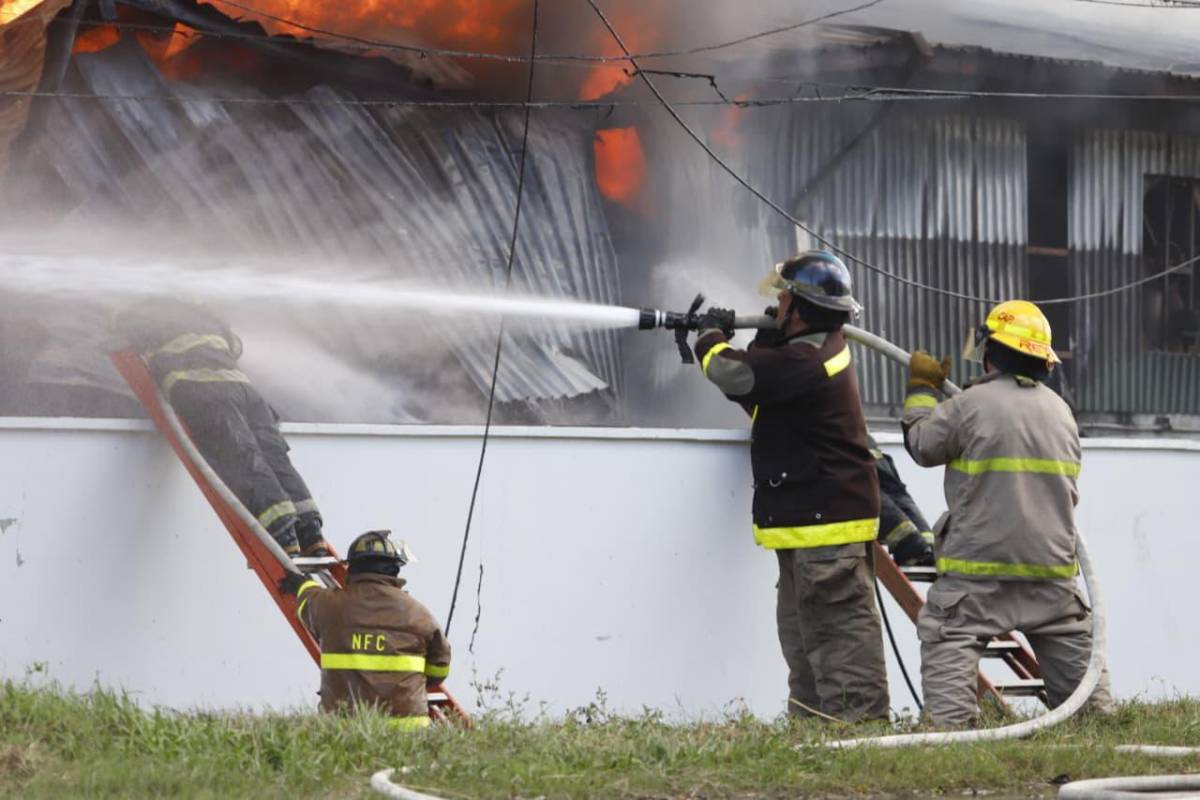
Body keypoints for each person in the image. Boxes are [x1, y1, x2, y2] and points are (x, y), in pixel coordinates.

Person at [693, 250, 889, 722]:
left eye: (783, 298)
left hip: (828, 535)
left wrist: (710, 337)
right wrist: (762, 338)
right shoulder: (807, 356)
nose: (776, 303)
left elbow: (734, 374)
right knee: (806, 646)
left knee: (840, 646)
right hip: (811, 532)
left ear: (799, 310)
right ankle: (815, 737)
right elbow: (761, 398)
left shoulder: (810, 358)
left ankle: (862, 740)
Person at [902, 299, 1114, 728]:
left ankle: (952, 730)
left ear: (991, 352)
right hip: (1050, 572)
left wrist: (922, 392)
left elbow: (923, 445)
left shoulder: (969, 405)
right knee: (1083, 681)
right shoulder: (1062, 413)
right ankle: (1098, 724)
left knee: (949, 634)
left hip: (978, 574)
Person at [113, 299, 329, 558]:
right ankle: (310, 531)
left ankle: (282, 532)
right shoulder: (208, 318)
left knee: (243, 457)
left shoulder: (145, 316)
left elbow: (125, 339)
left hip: (205, 392)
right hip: (246, 392)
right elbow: (235, 346)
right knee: (276, 458)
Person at [279, 530, 450, 728]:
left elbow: (308, 598)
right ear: (394, 570)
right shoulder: (419, 614)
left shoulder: (330, 606)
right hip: (409, 733)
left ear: (351, 569)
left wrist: (299, 584)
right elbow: (439, 668)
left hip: (346, 731)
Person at [869, 433, 935, 567]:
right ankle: (927, 544)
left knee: (866, 489)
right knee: (894, 492)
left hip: (846, 445)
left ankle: (910, 544)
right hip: (866, 443)